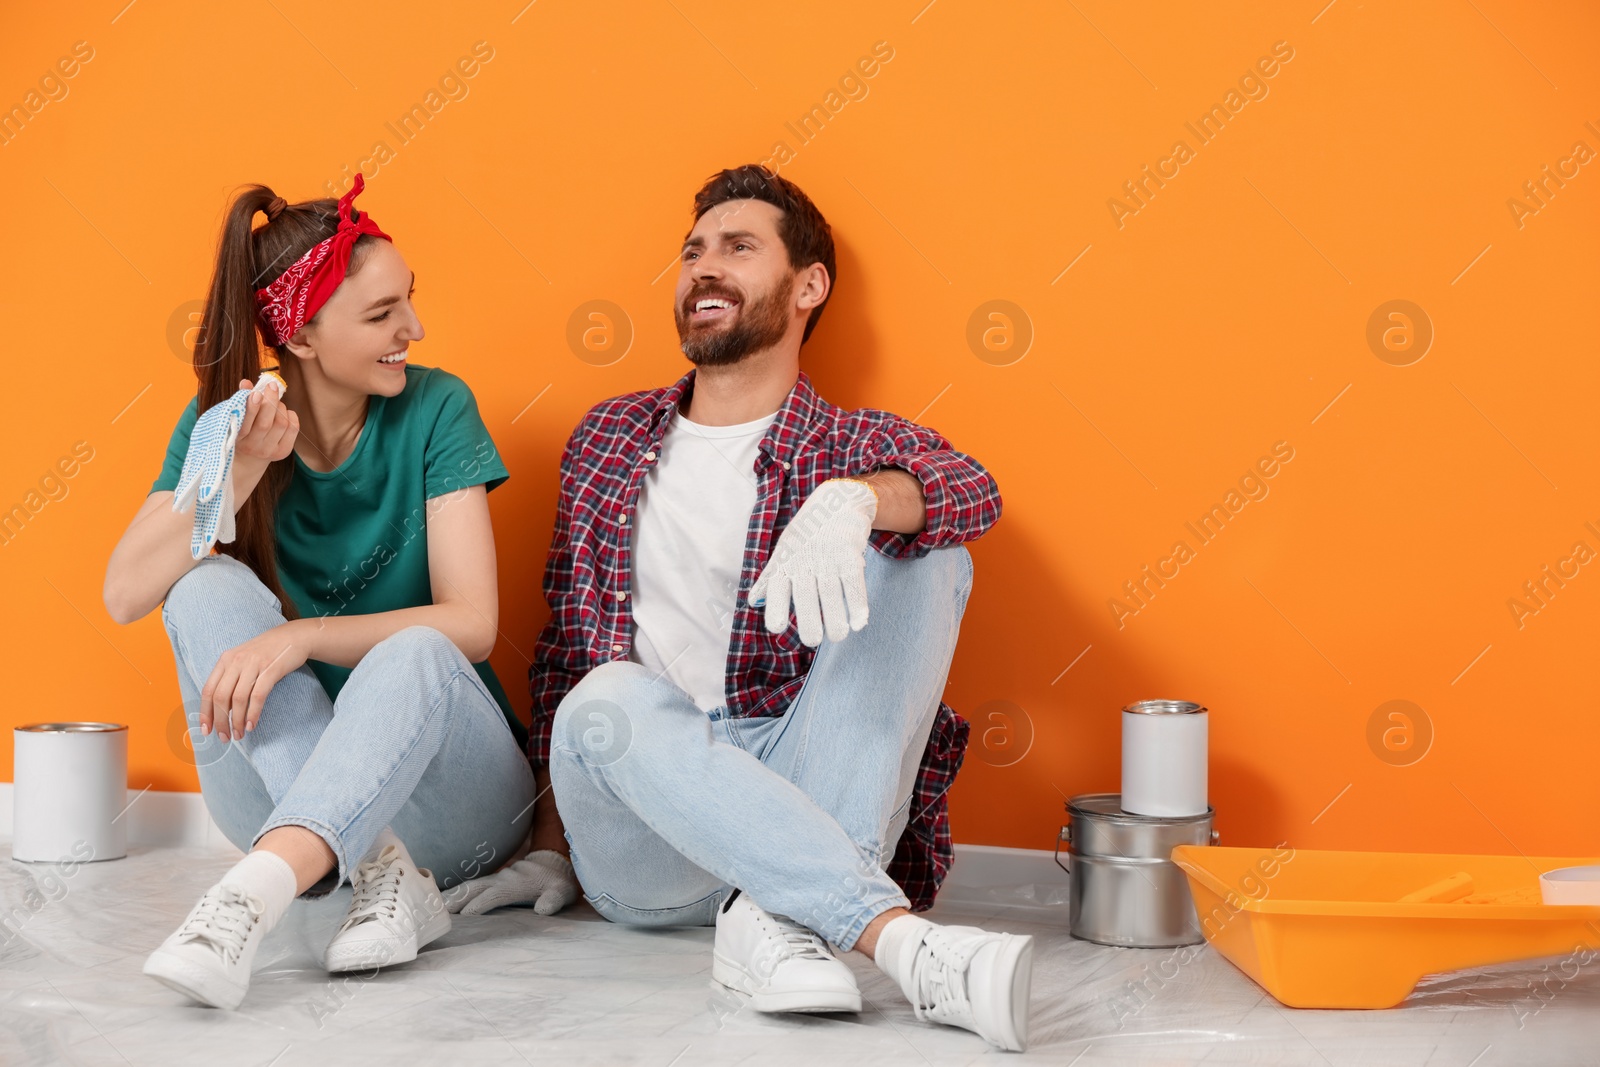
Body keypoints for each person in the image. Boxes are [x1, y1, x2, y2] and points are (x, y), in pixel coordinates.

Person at [452, 165, 1032, 1051]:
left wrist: (860, 501)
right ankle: (901, 944)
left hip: (797, 776)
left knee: (931, 554)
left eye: (737, 247)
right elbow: (565, 652)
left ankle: (773, 922)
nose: (703, 268)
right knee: (605, 694)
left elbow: (972, 490)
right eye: (692, 252)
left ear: (809, 287)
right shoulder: (608, 438)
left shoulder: (853, 443)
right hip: (646, 824)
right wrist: (548, 843)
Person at [101, 175, 538, 1010]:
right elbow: (125, 592)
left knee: (420, 645)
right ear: (299, 338)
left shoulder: (437, 407)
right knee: (200, 587)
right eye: (380, 316)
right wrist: (237, 471)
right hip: (289, 790)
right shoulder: (224, 428)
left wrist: (300, 636)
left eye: (407, 300)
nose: (412, 329)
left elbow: (473, 625)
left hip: (455, 801)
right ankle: (378, 871)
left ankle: (249, 898)